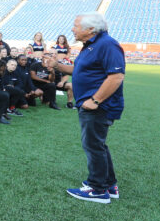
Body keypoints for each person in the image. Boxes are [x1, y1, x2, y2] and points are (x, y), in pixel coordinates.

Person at [48, 12, 125, 204]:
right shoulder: (91, 45)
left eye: (76, 26)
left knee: (93, 145)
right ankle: (109, 184)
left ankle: (98, 189)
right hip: (91, 105)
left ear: (90, 29)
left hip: (98, 106)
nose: (72, 29)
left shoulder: (107, 44)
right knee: (98, 144)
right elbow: (79, 70)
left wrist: (96, 100)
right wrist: (57, 66)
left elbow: (116, 77)